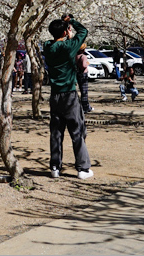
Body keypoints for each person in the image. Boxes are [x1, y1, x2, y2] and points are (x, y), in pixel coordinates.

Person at [43, 15, 93, 180]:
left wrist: (65, 28)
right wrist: (71, 21)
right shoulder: (68, 47)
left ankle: (55, 167)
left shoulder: (48, 46)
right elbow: (83, 31)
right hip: (69, 95)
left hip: (55, 95)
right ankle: (83, 168)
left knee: (56, 131)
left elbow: (56, 40)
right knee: (77, 130)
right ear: (65, 32)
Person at [75, 43, 92, 113]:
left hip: (78, 73)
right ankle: (85, 107)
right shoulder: (83, 56)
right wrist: (87, 63)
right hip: (83, 74)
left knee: (81, 90)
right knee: (84, 91)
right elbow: (84, 65)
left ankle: (83, 106)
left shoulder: (76, 56)